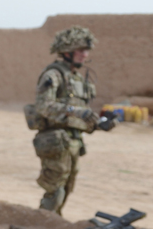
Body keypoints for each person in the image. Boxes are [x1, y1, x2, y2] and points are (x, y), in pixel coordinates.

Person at [30, 26, 114, 215]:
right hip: (56, 140)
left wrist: (100, 124)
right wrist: (75, 111)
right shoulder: (53, 75)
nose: (85, 55)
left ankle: (53, 223)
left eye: (87, 50)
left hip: (74, 141)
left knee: (68, 187)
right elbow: (43, 106)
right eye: (81, 50)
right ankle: (42, 225)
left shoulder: (78, 79)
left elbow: (79, 116)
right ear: (67, 51)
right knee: (55, 190)